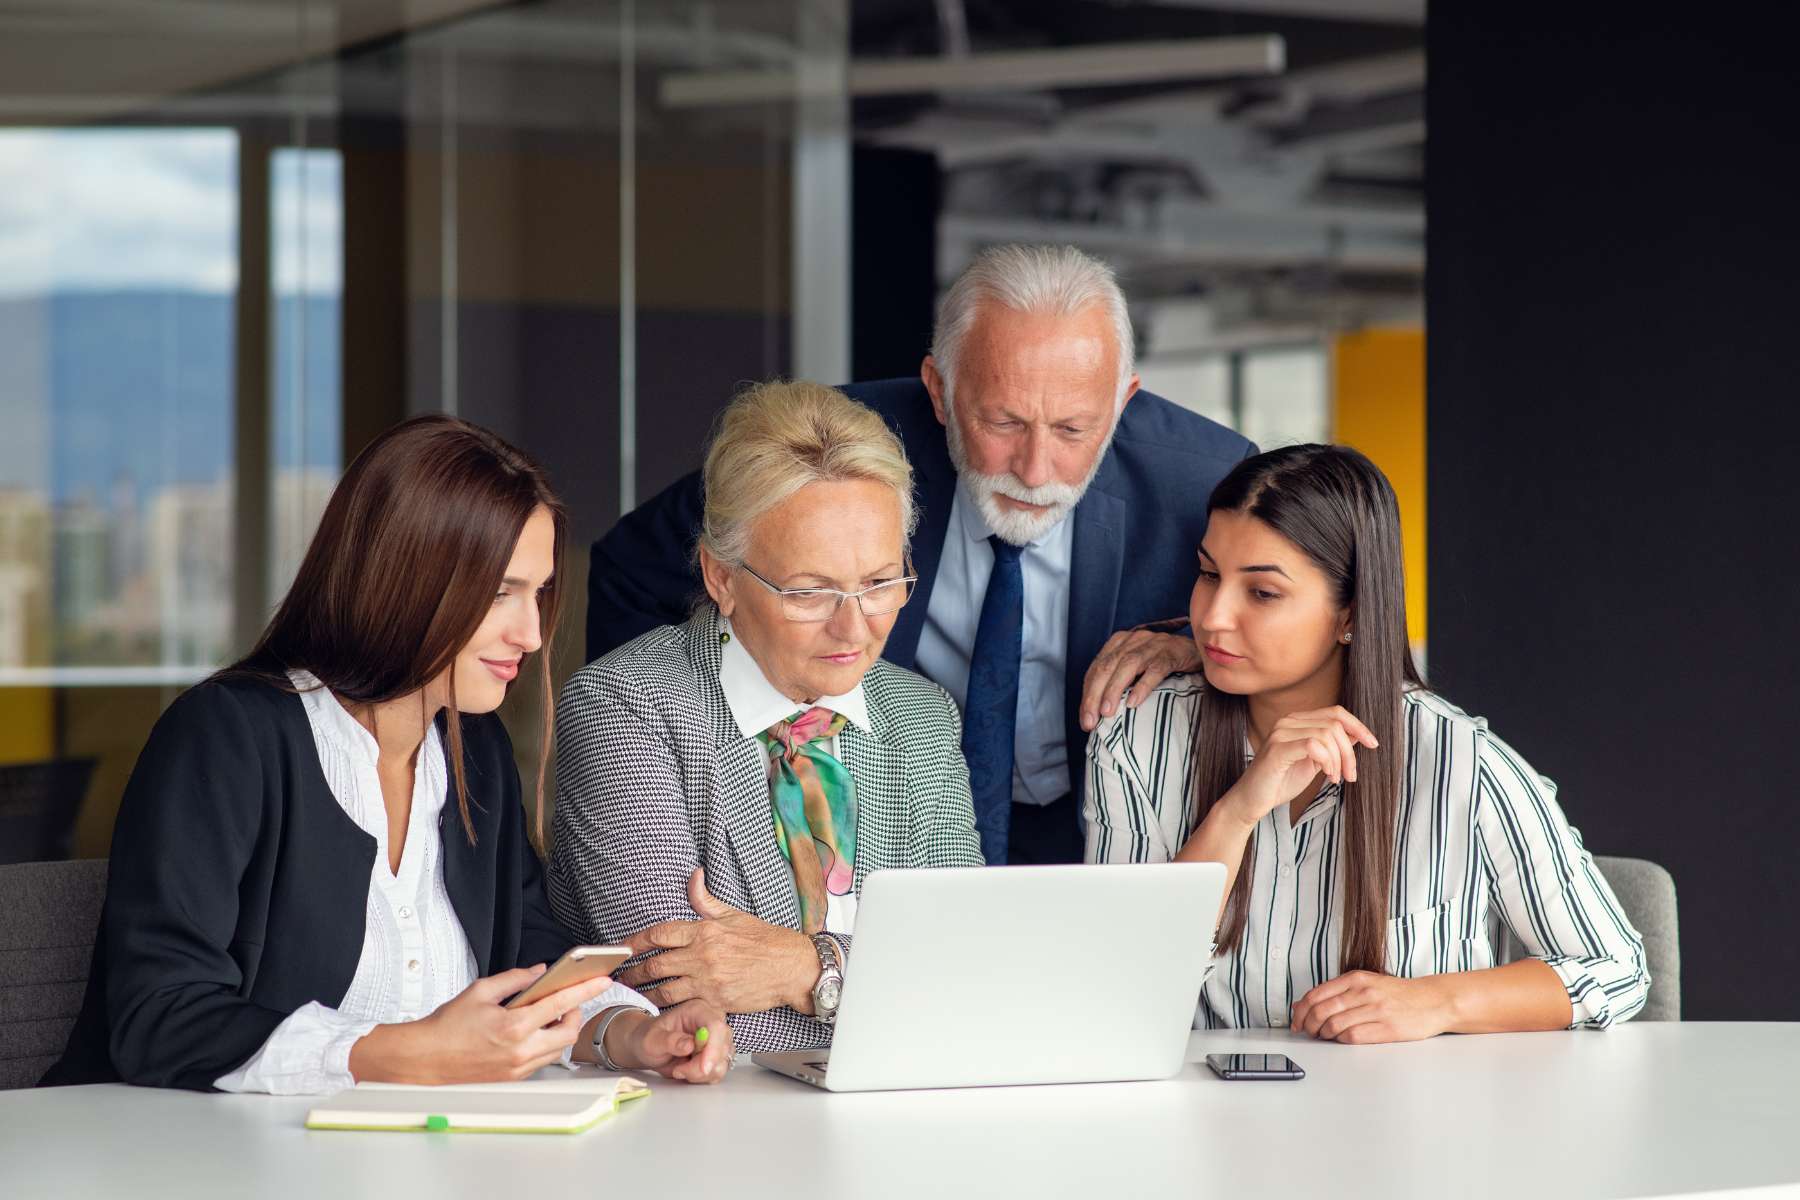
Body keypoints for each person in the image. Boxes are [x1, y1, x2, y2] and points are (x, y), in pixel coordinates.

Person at [43, 416, 730, 1092]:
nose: (529, 632)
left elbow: (534, 962)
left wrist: (628, 1032)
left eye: (539, 591)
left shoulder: (475, 750)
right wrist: (400, 1053)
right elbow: (158, 1016)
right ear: (403, 579)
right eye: (500, 593)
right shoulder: (228, 737)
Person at [587, 244, 1255, 865]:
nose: (1034, 468)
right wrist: (682, 765)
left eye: (1075, 429)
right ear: (939, 390)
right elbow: (629, 573)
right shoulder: (835, 457)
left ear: (1122, 402)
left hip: (1108, 832)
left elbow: (1321, 618)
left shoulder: (1207, 482)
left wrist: (1202, 644)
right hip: (891, 826)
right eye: (1003, 423)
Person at [1084, 444, 1651, 1040]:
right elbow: (1116, 989)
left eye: (1262, 593)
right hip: (1201, 1119)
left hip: (1408, 1123)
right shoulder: (1136, 739)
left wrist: (1436, 1004)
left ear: (1350, 613)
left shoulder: (1457, 759)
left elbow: (1616, 968)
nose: (1213, 616)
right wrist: (1238, 809)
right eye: (1208, 574)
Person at [549, 381, 983, 1054]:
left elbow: (973, 977)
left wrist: (803, 971)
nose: (854, 626)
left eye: (879, 582)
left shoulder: (922, 715)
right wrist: (893, 982)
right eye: (810, 591)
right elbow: (677, 996)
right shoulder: (623, 705)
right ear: (720, 577)